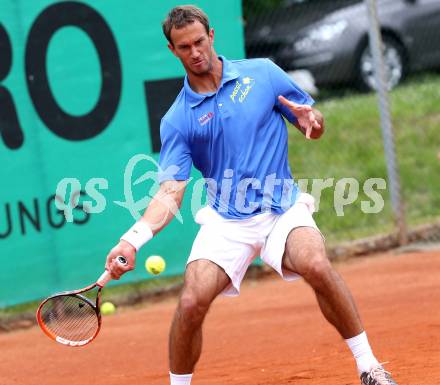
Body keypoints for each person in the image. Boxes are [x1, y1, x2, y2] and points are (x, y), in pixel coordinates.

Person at [105, 5, 398, 385]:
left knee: (315, 264)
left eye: (198, 42)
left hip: (282, 210)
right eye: (184, 47)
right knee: (192, 301)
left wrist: (314, 122)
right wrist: (133, 240)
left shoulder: (263, 74)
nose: (195, 52)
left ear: (211, 36)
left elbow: (311, 122)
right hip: (227, 222)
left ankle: (369, 367)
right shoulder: (177, 119)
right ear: (172, 51)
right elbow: (171, 191)